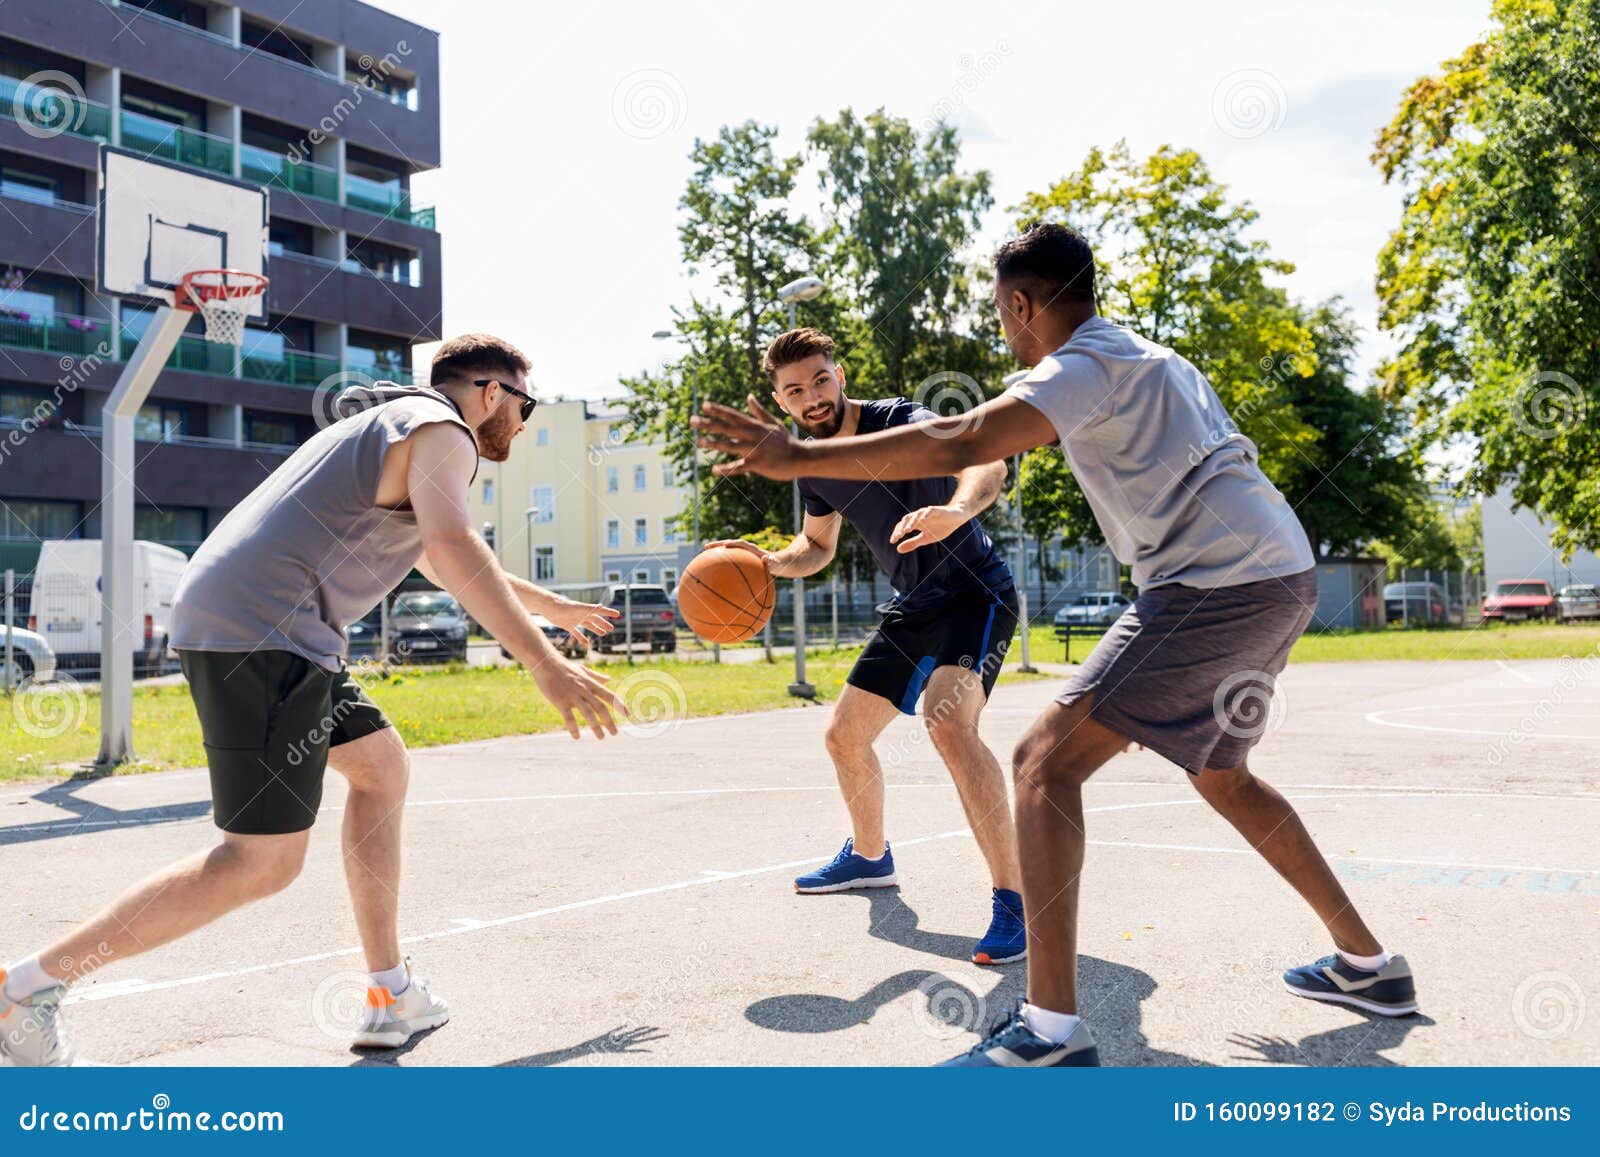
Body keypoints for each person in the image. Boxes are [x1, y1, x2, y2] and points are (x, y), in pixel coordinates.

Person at [693, 224, 1417, 1067]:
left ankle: (1049, 1028)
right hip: (1279, 571)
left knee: (1043, 761)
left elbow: (967, 441)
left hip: (1212, 584)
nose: (1003, 325)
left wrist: (795, 457)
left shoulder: (1080, 368)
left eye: (1002, 310)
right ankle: (1370, 965)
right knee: (1223, 775)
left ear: (1020, 302)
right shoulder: (1150, 355)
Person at [0, 334, 626, 1067]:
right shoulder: (444, 430)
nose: (522, 422)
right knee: (259, 861)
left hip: (271, 624)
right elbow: (454, 545)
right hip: (265, 630)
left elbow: (435, 549)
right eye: (525, 404)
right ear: (491, 393)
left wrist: (548, 605)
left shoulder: (390, 426)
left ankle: (391, 992)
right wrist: (544, 666)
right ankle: (28, 989)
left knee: (381, 769)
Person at [712, 328, 1027, 965]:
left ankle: (1016, 900)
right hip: (914, 605)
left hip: (975, 592)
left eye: (820, 380)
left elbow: (984, 459)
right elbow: (818, 547)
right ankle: (869, 856)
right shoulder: (813, 467)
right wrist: (772, 562)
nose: (812, 397)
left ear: (841, 375)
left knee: (950, 727)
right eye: (795, 390)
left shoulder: (902, 421)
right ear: (781, 401)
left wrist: (957, 510)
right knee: (844, 737)